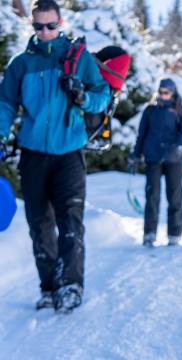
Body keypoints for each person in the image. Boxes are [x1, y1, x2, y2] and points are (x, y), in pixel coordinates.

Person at [0, 0, 110, 313]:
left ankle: (71, 284)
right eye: (39, 26)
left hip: (69, 153)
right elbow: (6, 103)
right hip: (33, 154)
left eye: (50, 25)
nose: (45, 32)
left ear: (60, 22)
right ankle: (49, 286)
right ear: (32, 25)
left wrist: (83, 96)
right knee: (39, 224)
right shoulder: (22, 64)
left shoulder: (78, 59)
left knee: (71, 222)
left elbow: (102, 96)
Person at [129, 78, 182, 247]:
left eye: (166, 92)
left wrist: (179, 146)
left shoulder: (179, 110)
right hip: (153, 156)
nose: (163, 95)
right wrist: (135, 154)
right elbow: (141, 134)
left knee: (175, 196)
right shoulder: (150, 110)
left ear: (173, 93)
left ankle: (174, 234)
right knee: (152, 195)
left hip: (173, 158)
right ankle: (149, 233)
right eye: (161, 92)